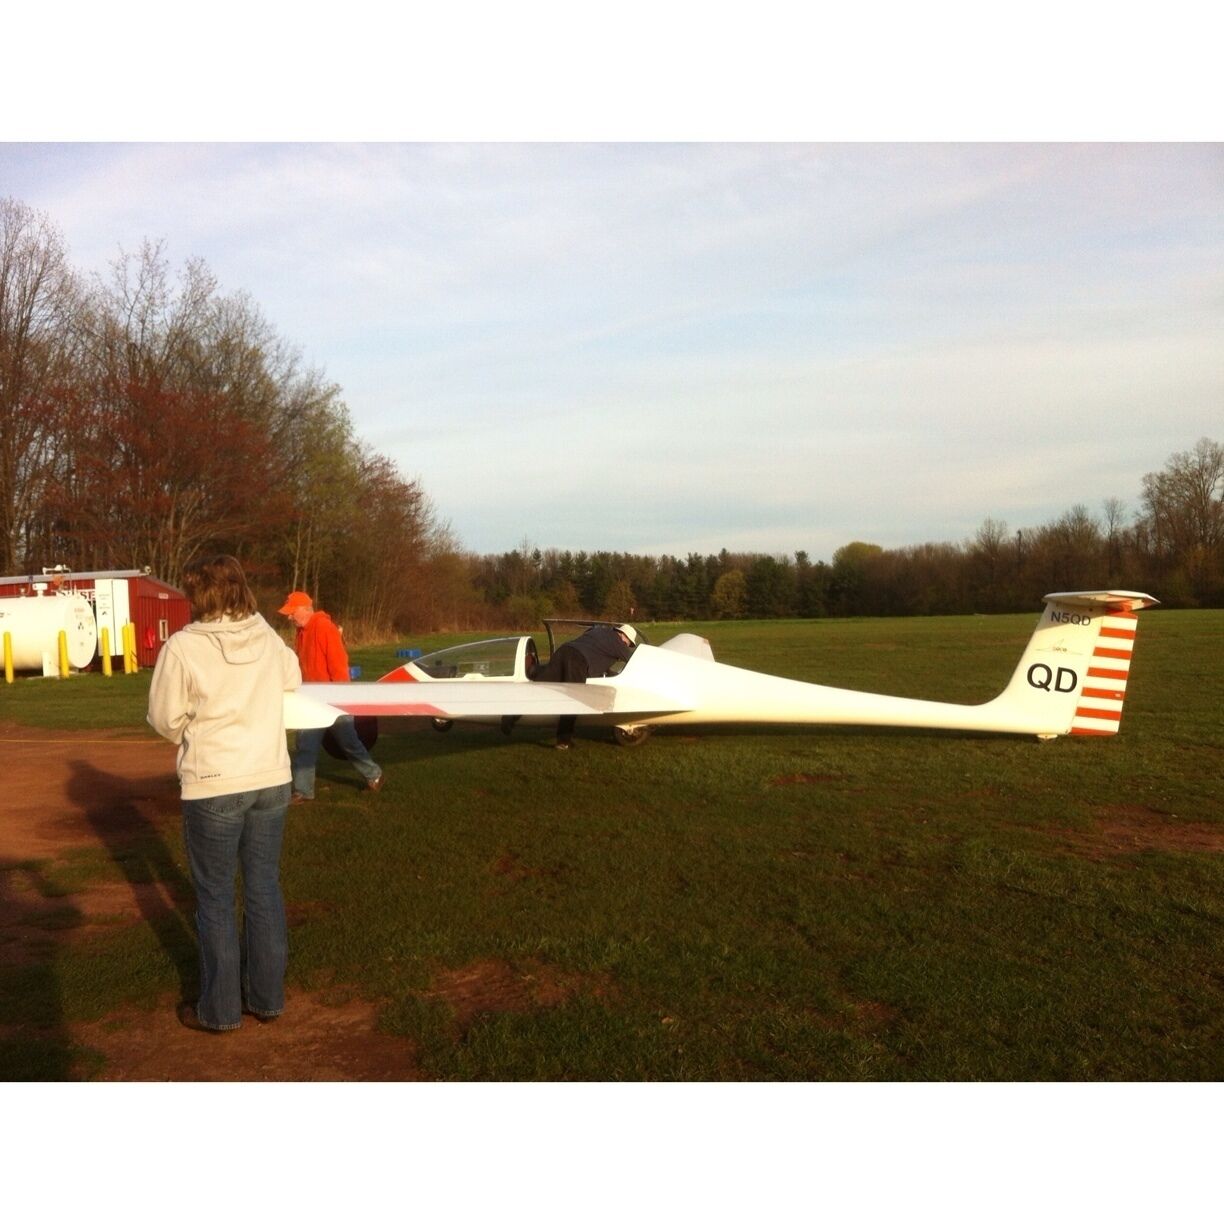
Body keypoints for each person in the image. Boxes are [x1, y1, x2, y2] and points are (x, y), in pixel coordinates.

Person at [147, 555, 302, 1033]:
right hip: (271, 778)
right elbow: (292, 682)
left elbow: (165, 719)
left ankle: (219, 1010)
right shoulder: (266, 636)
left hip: (213, 782)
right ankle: (267, 998)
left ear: (199, 596)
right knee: (263, 887)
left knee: (215, 898)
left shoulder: (183, 647)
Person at [279, 590, 383, 801]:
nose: (289, 617)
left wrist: (340, 697)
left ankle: (375, 775)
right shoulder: (302, 632)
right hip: (311, 698)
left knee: (349, 743)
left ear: (305, 610)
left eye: (292, 612)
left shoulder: (325, 628)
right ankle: (303, 791)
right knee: (305, 745)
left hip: (334, 698)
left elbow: (339, 666)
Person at [504, 622, 638, 748]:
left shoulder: (598, 631)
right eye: (628, 642)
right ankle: (563, 741)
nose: (627, 645)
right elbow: (634, 659)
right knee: (573, 701)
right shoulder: (617, 642)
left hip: (564, 651)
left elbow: (595, 651)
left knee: (539, 688)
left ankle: (510, 717)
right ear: (623, 635)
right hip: (577, 662)